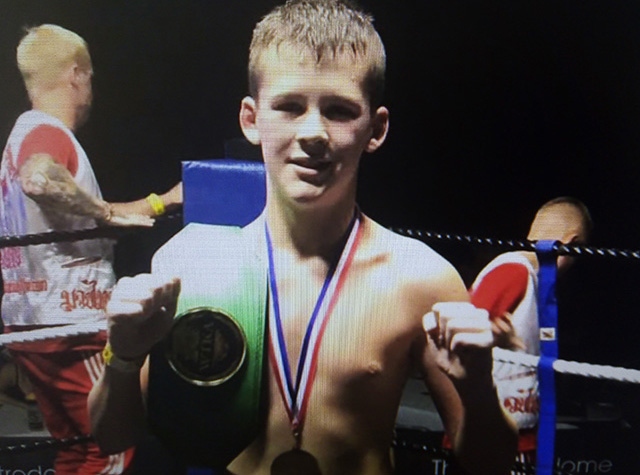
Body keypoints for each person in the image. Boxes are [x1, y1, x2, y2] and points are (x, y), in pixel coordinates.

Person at [88, 1, 517, 474]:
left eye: (338, 110)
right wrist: (122, 357)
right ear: (251, 119)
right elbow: (112, 435)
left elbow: (490, 465)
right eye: (290, 107)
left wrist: (479, 390)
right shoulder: (191, 263)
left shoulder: (420, 278)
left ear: (375, 128)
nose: (313, 132)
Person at [0, 24, 182, 474]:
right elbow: (40, 179)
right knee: (110, 449)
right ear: (77, 74)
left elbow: (86, 222)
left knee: (77, 451)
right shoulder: (47, 132)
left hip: (36, 322)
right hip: (71, 323)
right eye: (91, 78)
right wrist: (103, 213)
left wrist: (162, 200)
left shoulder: (21, 135)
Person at [468, 196, 592, 472]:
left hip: (509, 432)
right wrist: (491, 335)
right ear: (570, 245)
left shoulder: (529, 278)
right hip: (491, 437)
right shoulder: (513, 271)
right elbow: (460, 334)